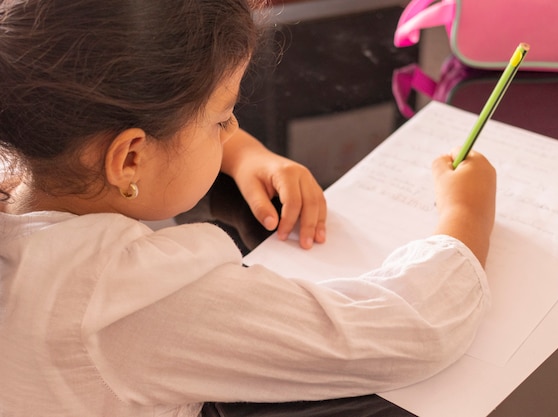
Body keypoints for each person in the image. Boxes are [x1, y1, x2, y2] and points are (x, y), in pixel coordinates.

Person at [0, 1, 496, 416]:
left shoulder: (26, 178)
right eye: (221, 119)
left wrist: (245, 155)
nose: (234, 129)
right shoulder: (128, 302)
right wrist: (464, 212)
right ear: (130, 158)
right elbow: (409, 332)